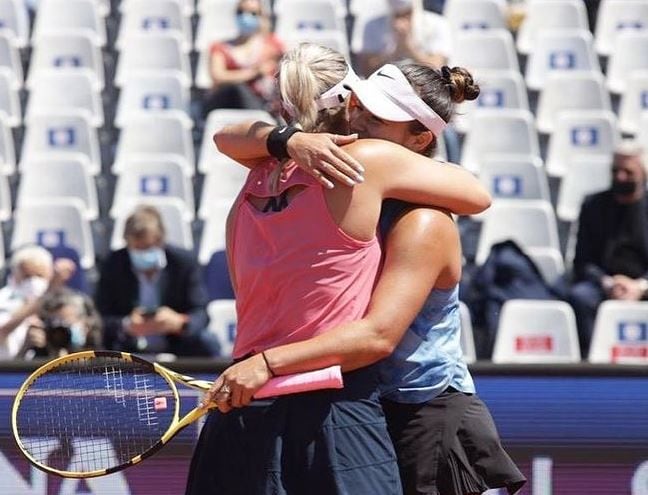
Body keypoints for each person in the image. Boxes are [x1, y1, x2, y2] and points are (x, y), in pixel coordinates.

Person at [206, 61, 526, 494]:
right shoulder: (351, 194)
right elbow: (228, 138)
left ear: (419, 139)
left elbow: (376, 337)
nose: (356, 121)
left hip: (425, 417)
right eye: (358, 108)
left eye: (376, 118)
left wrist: (263, 364)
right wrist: (290, 140)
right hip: (371, 405)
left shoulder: (425, 221)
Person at [95, 205, 220, 357]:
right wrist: (127, 324)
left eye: (147, 247)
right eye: (137, 248)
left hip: (176, 344)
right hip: (127, 347)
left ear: (161, 241)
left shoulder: (183, 263)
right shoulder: (112, 264)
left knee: (207, 342)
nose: (142, 253)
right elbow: (99, 317)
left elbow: (201, 313)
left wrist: (179, 322)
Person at [568, 141, 648, 357]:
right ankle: (591, 361)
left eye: (628, 172)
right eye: (615, 171)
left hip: (642, 285)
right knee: (580, 296)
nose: (620, 177)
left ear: (643, 173)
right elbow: (582, 261)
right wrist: (609, 283)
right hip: (603, 284)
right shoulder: (593, 205)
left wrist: (639, 286)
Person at [202, 0, 284, 116]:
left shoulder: (272, 44)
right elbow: (218, 76)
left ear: (262, 16)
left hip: (262, 101)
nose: (245, 17)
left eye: (253, 13)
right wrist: (254, 73)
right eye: (240, 12)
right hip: (225, 103)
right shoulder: (220, 47)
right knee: (237, 88)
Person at [0, 245, 76, 359]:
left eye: (39, 275)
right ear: (15, 275)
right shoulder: (3, 299)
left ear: (49, 274)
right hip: (10, 368)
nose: (33, 281)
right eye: (27, 276)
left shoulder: (68, 300)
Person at [356, 0, 452, 76]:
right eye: (397, 16)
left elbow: (438, 69)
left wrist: (409, 48)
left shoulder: (438, 24)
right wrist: (395, 51)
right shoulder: (372, 26)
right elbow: (366, 71)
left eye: (407, 14)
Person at [17, 287, 101, 359]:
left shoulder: (102, 359)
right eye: (55, 326)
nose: (59, 334)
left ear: (86, 325)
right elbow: (15, 376)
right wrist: (25, 348)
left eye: (66, 325)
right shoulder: (40, 355)